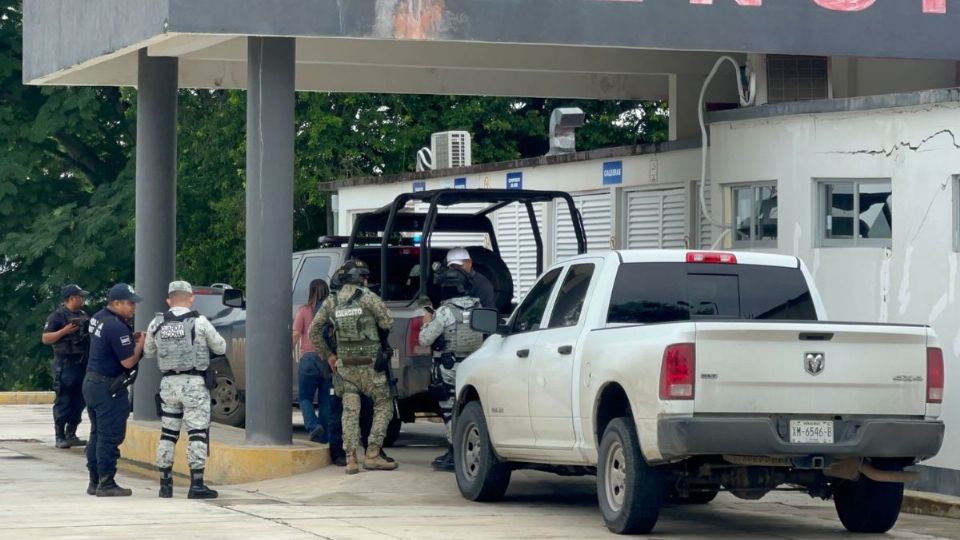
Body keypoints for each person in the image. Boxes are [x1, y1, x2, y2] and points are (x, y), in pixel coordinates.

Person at [309, 259, 397, 475]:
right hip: (371, 366)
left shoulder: (332, 301)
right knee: (384, 404)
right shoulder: (368, 297)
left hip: (345, 366)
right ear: (362, 278)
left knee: (349, 410)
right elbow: (388, 322)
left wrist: (329, 355)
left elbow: (314, 331)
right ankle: (373, 453)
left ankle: (350, 458)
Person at [144, 281, 226, 500]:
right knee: (197, 433)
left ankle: (165, 484)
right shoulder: (200, 322)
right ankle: (196, 484)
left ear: (168, 300)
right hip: (194, 384)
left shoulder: (156, 323)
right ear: (191, 299)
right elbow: (220, 347)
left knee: (168, 433)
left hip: (168, 385)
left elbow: (149, 352)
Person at [418, 267, 483, 471]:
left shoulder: (444, 312)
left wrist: (426, 323)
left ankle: (455, 452)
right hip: (475, 365)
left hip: (450, 367)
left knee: (450, 410)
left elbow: (424, 340)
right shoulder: (478, 307)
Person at [83, 283, 145, 497]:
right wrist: (140, 344)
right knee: (109, 436)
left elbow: (109, 344)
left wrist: (129, 340)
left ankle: (94, 481)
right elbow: (128, 361)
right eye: (130, 303)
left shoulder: (98, 317)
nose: (133, 307)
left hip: (92, 383)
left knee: (97, 434)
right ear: (116, 303)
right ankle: (107, 483)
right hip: (108, 387)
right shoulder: (116, 326)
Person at [41, 284, 91, 449]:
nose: (82, 299)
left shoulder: (83, 315)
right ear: (72, 298)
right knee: (64, 399)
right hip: (65, 363)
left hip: (82, 362)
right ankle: (60, 435)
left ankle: (71, 433)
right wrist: (65, 331)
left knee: (80, 399)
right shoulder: (57, 316)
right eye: (80, 296)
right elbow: (46, 338)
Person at [293, 279, 331, 445]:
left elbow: (295, 334)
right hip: (328, 360)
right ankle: (324, 436)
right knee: (326, 400)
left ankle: (314, 426)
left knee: (305, 398)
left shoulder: (303, 311)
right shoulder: (331, 312)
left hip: (308, 360)